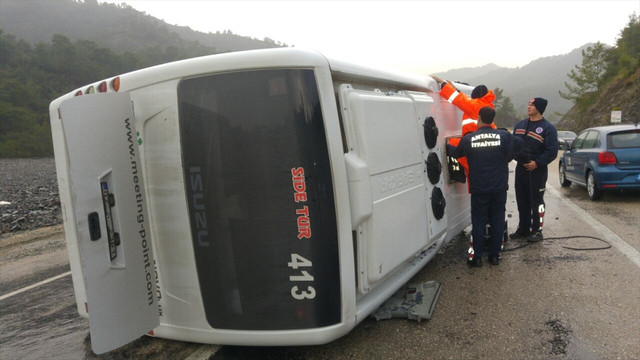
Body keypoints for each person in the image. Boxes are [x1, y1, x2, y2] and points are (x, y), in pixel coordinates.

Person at [447, 107, 520, 266]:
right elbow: (511, 154)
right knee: (497, 221)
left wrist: (446, 145)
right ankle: (495, 256)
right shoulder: (505, 136)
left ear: (479, 119)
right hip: (499, 187)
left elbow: (455, 153)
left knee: (478, 222)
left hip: (479, 188)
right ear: (492, 120)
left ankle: (476, 258)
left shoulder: (468, 139)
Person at [431, 75, 497, 189]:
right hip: (484, 148)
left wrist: (442, 83)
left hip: (474, 147)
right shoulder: (485, 104)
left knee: (453, 143)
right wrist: (455, 89)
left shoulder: (476, 106)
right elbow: (463, 99)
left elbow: (458, 99)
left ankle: (459, 174)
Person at [510, 97, 558, 243]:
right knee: (521, 199)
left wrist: (537, 163)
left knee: (536, 201)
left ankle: (537, 230)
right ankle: (523, 228)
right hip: (521, 169)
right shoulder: (520, 125)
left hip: (537, 170)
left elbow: (552, 151)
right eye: (528, 104)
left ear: (539, 108)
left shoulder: (548, 128)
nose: (529, 107)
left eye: (532, 105)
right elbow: (512, 145)